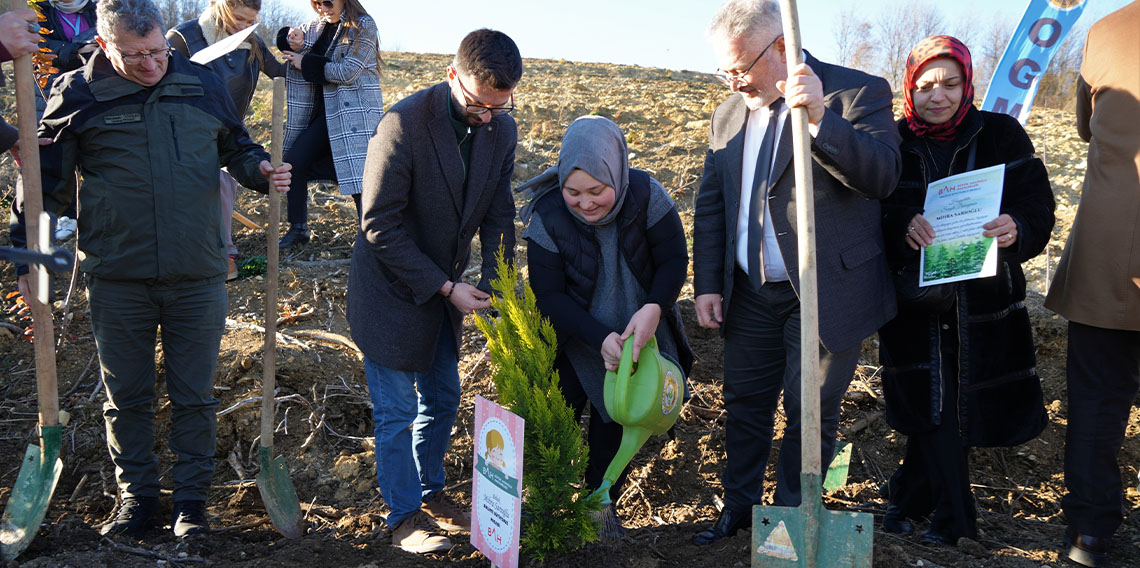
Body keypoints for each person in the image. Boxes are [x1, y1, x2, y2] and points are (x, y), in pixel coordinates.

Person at [8, 0, 292, 538]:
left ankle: (191, 505)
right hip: (118, 274)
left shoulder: (200, 82)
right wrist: (27, 252)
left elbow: (237, 145)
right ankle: (137, 501)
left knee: (195, 395)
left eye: (157, 50)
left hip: (198, 272)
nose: (150, 64)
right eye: (135, 55)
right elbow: (41, 182)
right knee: (127, 398)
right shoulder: (78, 92)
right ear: (105, 45)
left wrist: (259, 170)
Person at [690, 0, 902, 545]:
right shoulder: (729, 113)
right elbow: (714, 202)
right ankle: (738, 510)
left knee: (810, 414)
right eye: (724, 70)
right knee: (744, 403)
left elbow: (882, 177)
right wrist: (709, 281)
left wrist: (819, 122)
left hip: (826, 292)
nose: (733, 82)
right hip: (752, 293)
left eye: (740, 68)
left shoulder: (856, 92)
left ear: (782, 45)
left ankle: (787, 526)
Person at [346, 29, 520, 554]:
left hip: (447, 288)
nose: (487, 115)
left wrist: (497, 285)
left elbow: (499, 212)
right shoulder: (402, 126)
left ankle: (432, 492)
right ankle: (403, 517)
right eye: (477, 103)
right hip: (392, 289)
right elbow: (378, 225)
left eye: (499, 105)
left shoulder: (500, 129)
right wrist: (446, 287)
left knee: (443, 397)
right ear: (452, 76)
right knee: (396, 410)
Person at [877, 35, 1054, 546]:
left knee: (955, 403)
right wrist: (900, 226)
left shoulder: (1001, 135)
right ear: (910, 87)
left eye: (951, 84)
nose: (939, 96)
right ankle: (956, 519)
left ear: (967, 84)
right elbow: (867, 211)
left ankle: (912, 502)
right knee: (933, 402)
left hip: (985, 301)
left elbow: (1039, 207)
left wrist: (1017, 225)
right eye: (927, 85)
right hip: (914, 303)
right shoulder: (891, 141)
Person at [516, 115, 693, 538]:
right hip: (574, 337)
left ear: (618, 171)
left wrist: (654, 308)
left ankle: (598, 504)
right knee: (557, 420)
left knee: (617, 422)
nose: (586, 203)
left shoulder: (649, 196)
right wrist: (598, 338)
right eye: (573, 192)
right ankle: (545, 517)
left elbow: (673, 261)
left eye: (597, 190)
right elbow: (551, 295)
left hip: (641, 336)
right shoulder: (547, 216)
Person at [1044, 2, 1140, 566]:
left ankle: (1089, 532)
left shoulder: (1106, 30)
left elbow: (1084, 127)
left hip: (1110, 250)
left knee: (1098, 400)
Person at [168, 0, 286, 280]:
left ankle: (223, 255)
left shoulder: (251, 41)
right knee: (200, 190)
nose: (244, 26)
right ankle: (203, 256)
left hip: (229, 131)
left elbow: (280, 73)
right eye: (238, 19)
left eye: (250, 21)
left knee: (223, 185)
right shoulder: (184, 38)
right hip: (184, 130)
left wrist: (303, 58)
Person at [275, 0, 382, 250]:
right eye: (316, 3)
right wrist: (290, 38)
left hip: (352, 116)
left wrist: (306, 62)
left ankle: (373, 237)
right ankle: (298, 228)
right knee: (294, 161)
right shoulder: (317, 26)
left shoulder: (364, 25)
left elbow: (348, 72)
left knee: (361, 179)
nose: (323, 7)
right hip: (322, 114)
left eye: (327, 2)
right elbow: (289, 45)